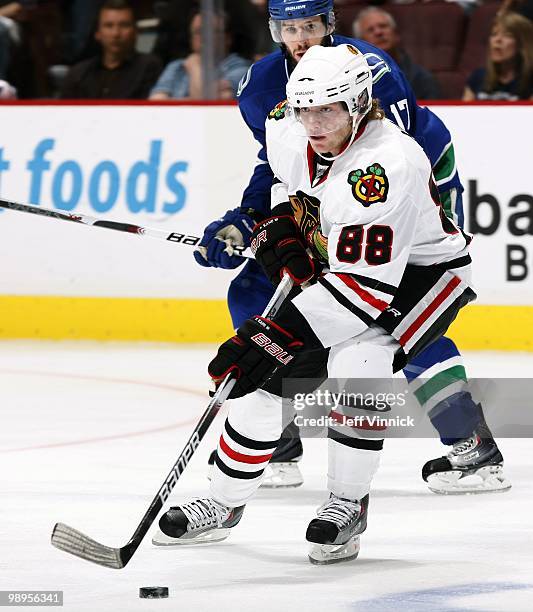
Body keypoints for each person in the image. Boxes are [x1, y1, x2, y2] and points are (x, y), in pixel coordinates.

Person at [154, 45, 477, 564]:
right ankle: (221, 500)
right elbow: (288, 185)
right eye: (304, 109)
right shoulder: (287, 125)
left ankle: (347, 504)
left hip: (422, 276)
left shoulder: (384, 166)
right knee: (264, 385)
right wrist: (281, 227)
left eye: (326, 110)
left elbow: (362, 296)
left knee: (358, 362)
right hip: (351, 270)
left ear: (358, 105)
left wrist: (271, 336)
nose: (313, 122)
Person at [195, 0, 509, 495]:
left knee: (392, 319)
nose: (301, 38)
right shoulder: (261, 86)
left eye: (311, 26)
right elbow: (280, 165)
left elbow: (374, 168)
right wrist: (248, 222)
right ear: (274, 29)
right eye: (289, 27)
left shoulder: (371, 71)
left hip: (407, 195)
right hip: (334, 201)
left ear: (330, 25)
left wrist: (306, 234)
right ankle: (276, 439)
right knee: (253, 292)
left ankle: (468, 441)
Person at [60, 0, 162, 100]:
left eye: (124, 25)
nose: (116, 34)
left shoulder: (148, 67)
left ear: (135, 32)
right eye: (109, 26)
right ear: (97, 33)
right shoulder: (78, 74)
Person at [149, 9, 251, 100]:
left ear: (228, 38)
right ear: (191, 39)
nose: (204, 37)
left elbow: (208, 103)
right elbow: (156, 102)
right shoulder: (176, 66)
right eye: (198, 31)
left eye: (211, 31)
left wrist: (193, 66)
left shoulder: (242, 69)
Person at [352, 6, 441, 100]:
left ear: (396, 34)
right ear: (360, 42)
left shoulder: (423, 79)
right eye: (370, 30)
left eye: (383, 26)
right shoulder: (351, 80)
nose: (378, 32)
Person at [463, 11, 533, 101]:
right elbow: (464, 113)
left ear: (522, 45)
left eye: (507, 35)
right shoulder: (478, 77)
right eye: (494, 34)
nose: (497, 40)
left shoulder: (530, 81)